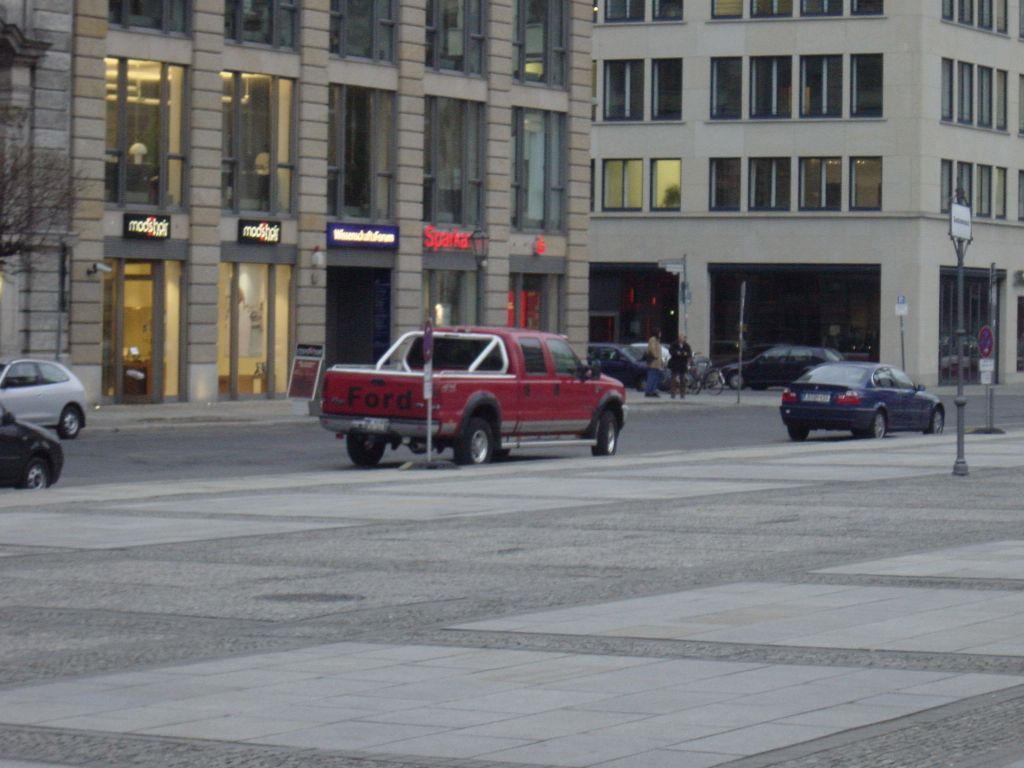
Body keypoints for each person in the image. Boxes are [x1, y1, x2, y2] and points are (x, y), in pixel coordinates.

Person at [668, 333, 693, 399]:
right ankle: (673, 394)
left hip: (683, 364)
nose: (681, 339)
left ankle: (682, 394)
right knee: (673, 379)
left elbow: (689, 353)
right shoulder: (674, 344)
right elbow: (671, 351)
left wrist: (684, 354)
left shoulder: (686, 345)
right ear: (678, 338)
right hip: (675, 363)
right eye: (680, 338)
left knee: (683, 379)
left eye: (683, 338)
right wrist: (677, 353)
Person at [644, 331, 663, 398]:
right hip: (653, 362)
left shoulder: (657, 340)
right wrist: (656, 356)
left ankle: (653, 390)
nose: (660, 334)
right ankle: (649, 391)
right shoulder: (653, 339)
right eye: (659, 333)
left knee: (656, 377)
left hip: (657, 363)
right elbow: (652, 349)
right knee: (651, 377)